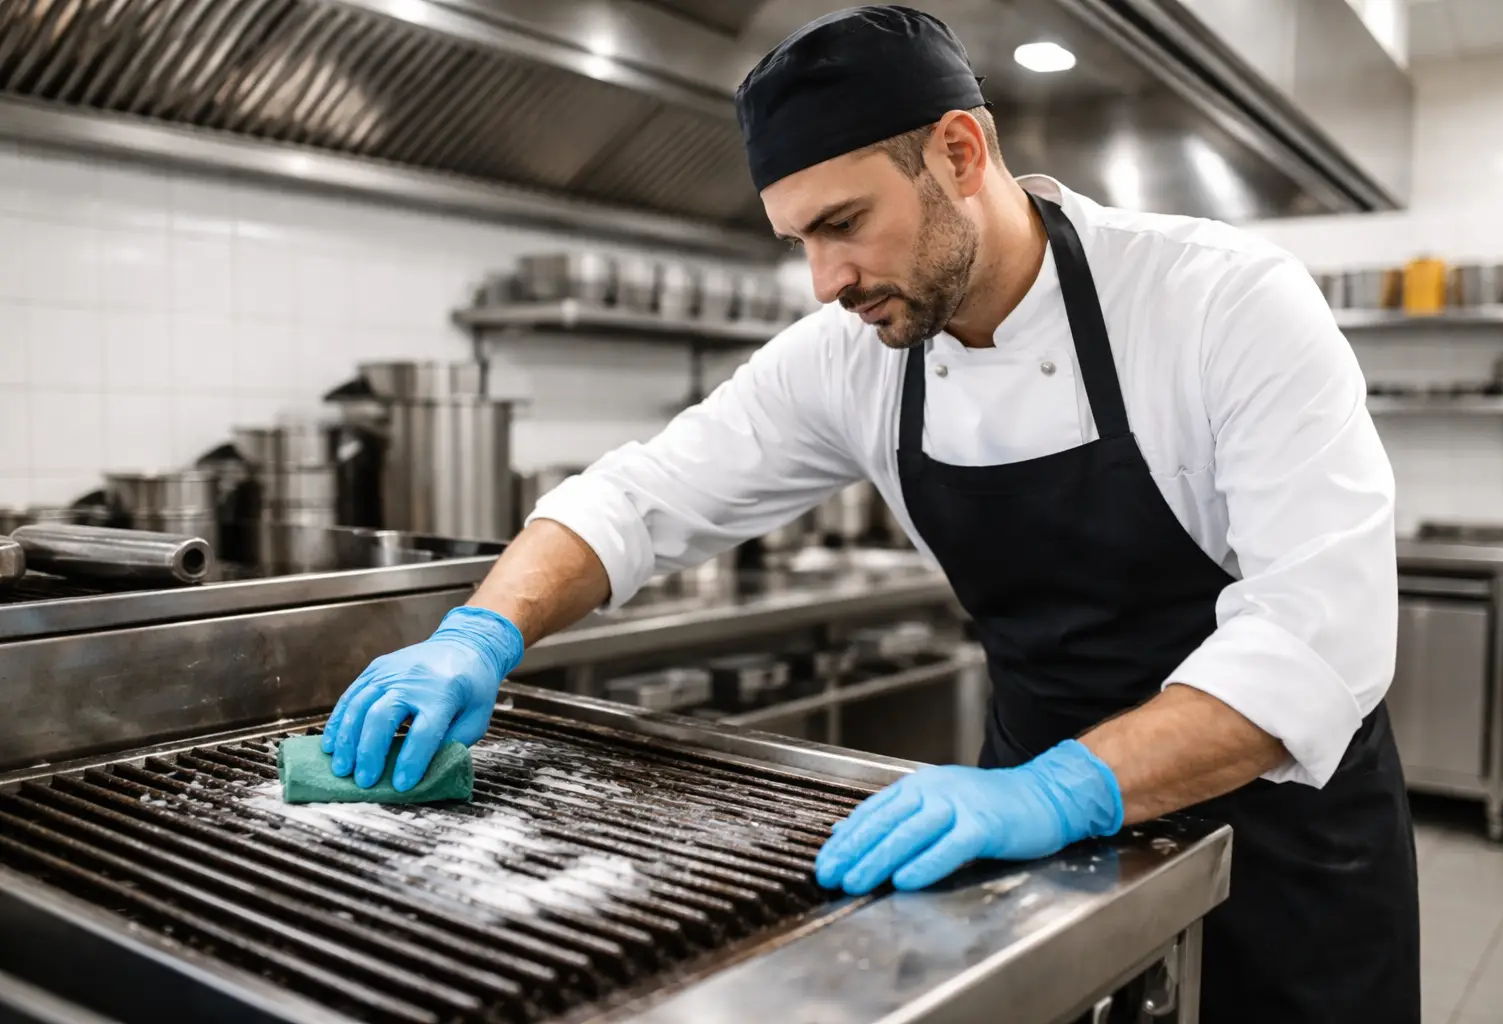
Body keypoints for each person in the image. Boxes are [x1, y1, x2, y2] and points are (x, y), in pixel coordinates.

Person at [322, 5, 1418, 1020]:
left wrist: (1063, 787)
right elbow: (637, 496)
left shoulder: (1220, 300)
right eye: (799, 239)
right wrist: (482, 630)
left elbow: (1315, 639)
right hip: (1032, 846)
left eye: (843, 223)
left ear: (960, 152)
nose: (824, 280)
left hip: (1280, 844)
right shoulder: (853, 356)